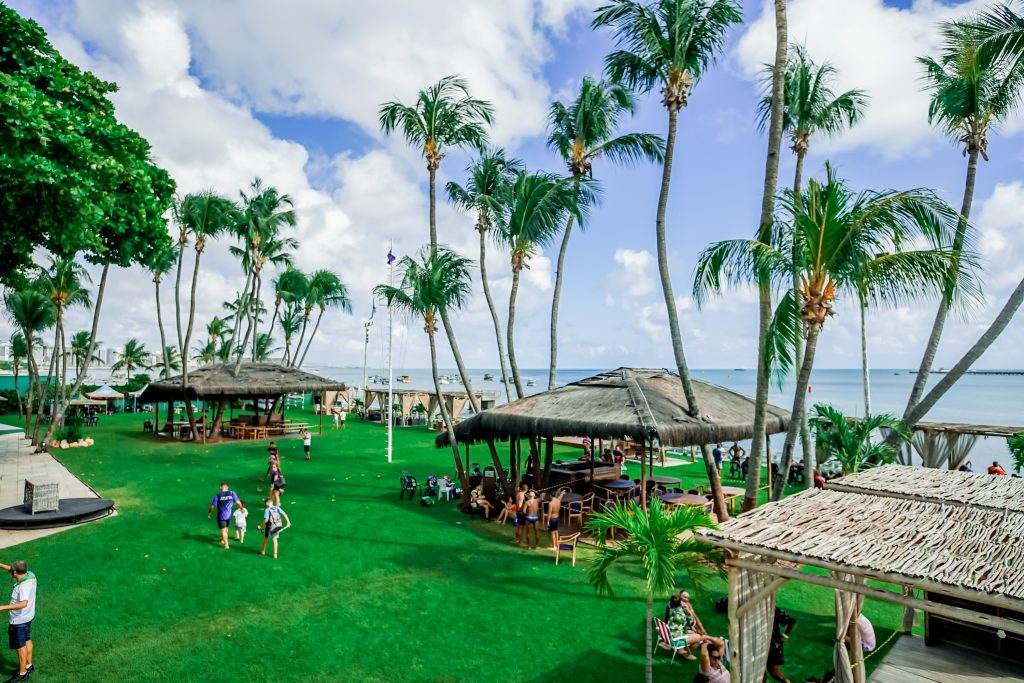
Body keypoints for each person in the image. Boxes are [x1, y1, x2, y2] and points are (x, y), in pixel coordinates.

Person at [0, 561, 35, 682]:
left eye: (12, 570)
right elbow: (11, 569)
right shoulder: (30, 575)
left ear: (15, 572)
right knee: (27, 640)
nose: (10, 571)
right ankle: (28, 665)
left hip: (19, 621)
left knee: (20, 647)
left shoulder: (23, 586)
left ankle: (22, 673)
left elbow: (23, 603)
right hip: (28, 617)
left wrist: (2, 607)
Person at [766, 605, 796, 683]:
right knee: (760, 671)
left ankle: (786, 681)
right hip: (760, 643)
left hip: (773, 645)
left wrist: (785, 636)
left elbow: (791, 621)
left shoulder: (774, 610)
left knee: (774, 672)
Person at [207, 482, 241, 549]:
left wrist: (209, 512)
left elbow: (212, 506)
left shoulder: (218, 495)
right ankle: (223, 539)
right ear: (227, 487)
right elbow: (238, 502)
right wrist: (241, 509)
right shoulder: (232, 493)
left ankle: (226, 545)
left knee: (223, 530)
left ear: (220, 487)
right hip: (229, 515)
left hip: (221, 516)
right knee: (226, 528)